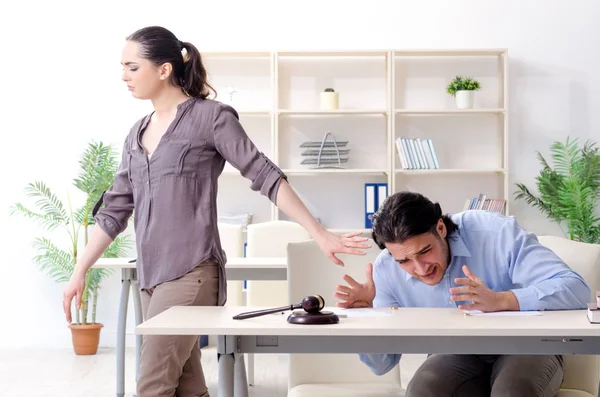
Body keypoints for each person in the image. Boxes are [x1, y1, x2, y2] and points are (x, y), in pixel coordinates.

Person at [61, 26, 370, 397]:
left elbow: (263, 173)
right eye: (122, 67)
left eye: (131, 67)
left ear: (163, 70)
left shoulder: (211, 118)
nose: (123, 76)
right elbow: (115, 209)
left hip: (192, 272)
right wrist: (80, 270)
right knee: (187, 385)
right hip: (150, 278)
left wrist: (318, 233)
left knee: (153, 384)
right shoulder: (136, 133)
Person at [334, 191, 590, 397]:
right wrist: (366, 319)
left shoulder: (494, 233)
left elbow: (576, 288)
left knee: (513, 390)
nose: (420, 269)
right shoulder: (386, 268)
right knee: (423, 390)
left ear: (441, 228)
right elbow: (381, 366)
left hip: (527, 345)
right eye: (405, 261)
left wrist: (502, 300)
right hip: (454, 352)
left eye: (425, 251)